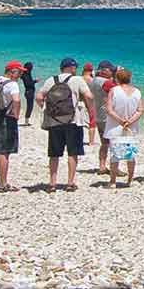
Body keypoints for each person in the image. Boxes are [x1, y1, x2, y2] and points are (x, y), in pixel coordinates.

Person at [36, 57, 94, 192]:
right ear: (72, 67)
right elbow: (89, 96)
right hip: (73, 120)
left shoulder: (51, 80)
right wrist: (89, 109)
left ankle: (52, 183)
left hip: (54, 120)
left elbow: (39, 97)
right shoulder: (77, 80)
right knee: (73, 152)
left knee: (54, 153)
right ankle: (70, 182)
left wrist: (45, 109)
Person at [0, 61, 25, 192]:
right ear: (11, 71)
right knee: (5, 152)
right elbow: (16, 100)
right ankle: (3, 184)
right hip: (6, 119)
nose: (20, 75)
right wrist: (16, 114)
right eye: (18, 72)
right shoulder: (13, 84)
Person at [105, 68, 142, 187]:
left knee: (115, 155)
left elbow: (109, 110)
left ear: (117, 78)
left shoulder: (113, 90)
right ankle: (130, 180)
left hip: (115, 127)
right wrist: (129, 121)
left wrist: (121, 121)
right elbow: (140, 110)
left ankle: (113, 181)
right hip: (131, 128)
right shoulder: (137, 91)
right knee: (130, 155)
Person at [89, 62, 114, 175]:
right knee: (113, 142)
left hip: (98, 115)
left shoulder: (93, 80)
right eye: (111, 70)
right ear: (104, 70)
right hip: (108, 116)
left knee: (104, 143)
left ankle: (102, 166)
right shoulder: (106, 82)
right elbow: (118, 92)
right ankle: (115, 167)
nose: (112, 72)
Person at [81, 63, 97, 145]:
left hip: (80, 102)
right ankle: (91, 142)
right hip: (90, 102)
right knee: (92, 123)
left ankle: (78, 139)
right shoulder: (92, 80)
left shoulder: (79, 79)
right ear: (91, 70)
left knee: (78, 122)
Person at [20, 61, 36, 126]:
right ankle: (26, 122)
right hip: (29, 92)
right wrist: (35, 81)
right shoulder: (25, 74)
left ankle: (27, 121)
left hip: (29, 92)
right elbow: (28, 84)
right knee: (30, 107)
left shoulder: (27, 73)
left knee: (30, 107)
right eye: (31, 67)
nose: (32, 68)